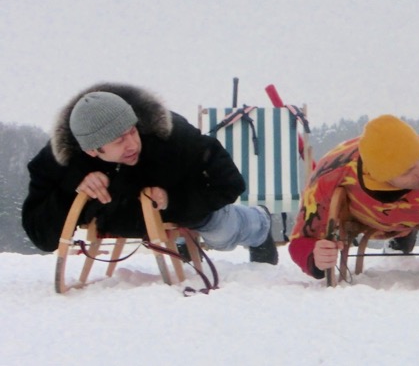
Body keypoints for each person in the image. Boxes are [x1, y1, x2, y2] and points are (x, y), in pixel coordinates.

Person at [22, 83, 281, 264]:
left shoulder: (172, 136)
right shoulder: (59, 158)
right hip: (124, 217)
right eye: (119, 141)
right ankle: (180, 242)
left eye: (132, 132)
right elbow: (41, 236)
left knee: (222, 234)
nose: (132, 144)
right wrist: (74, 186)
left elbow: (230, 183)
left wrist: (174, 201)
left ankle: (259, 223)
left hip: (186, 204)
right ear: (91, 151)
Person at [287, 115, 419, 281]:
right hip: (364, 212)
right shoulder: (330, 174)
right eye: (408, 170)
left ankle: (404, 231)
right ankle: (401, 234)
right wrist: (314, 257)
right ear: (381, 178)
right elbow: (300, 240)